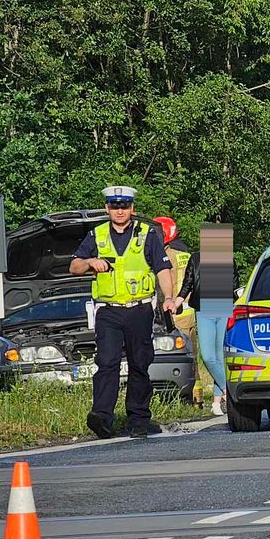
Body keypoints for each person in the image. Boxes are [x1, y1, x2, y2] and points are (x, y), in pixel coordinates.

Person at [70, 186, 176, 439]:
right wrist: (88, 263)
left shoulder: (147, 235)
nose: (120, 211)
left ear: (132, 209)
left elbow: (162, 269)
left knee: (140, 363)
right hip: (108, 311)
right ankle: (102, 417)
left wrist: (169, 298)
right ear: (107, 208)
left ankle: (138, 419)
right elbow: (74, 266)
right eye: (115, 206)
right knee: (107, 363)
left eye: (124, 206)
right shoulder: (97, 235)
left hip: (139, 309)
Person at [172, 251, 238, 416]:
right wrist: (177, 301)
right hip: (204, 309)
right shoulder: (196, 258)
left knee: (220, 357)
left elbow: (235, 284)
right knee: (208, 357)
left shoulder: (228, 258)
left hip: (224, 308)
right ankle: (228, 391)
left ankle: (216, 403)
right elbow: (189, 282)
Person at [154, 216, 200, 401]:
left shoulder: (168, 255)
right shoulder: (185, 253)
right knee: (192, 355)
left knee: (179, 354)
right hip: (190, 312)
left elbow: (168, 283)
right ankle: (197, 396)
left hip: (175, 312)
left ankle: (187, 396)